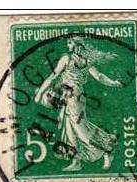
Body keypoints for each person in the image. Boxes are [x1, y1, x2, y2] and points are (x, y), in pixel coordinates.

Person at [34, 35, 124, 172]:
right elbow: (98, 77)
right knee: (69, 132)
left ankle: (107, 150)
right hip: (68, 100)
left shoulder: (70, 59)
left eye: (70, 43)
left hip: (74, 101)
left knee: (82, 133)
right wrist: (113, 83)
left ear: (77, 45)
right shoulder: (81, 61)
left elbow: (54, 76)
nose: (68, 46)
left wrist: (40, 93)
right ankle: (76, 161)